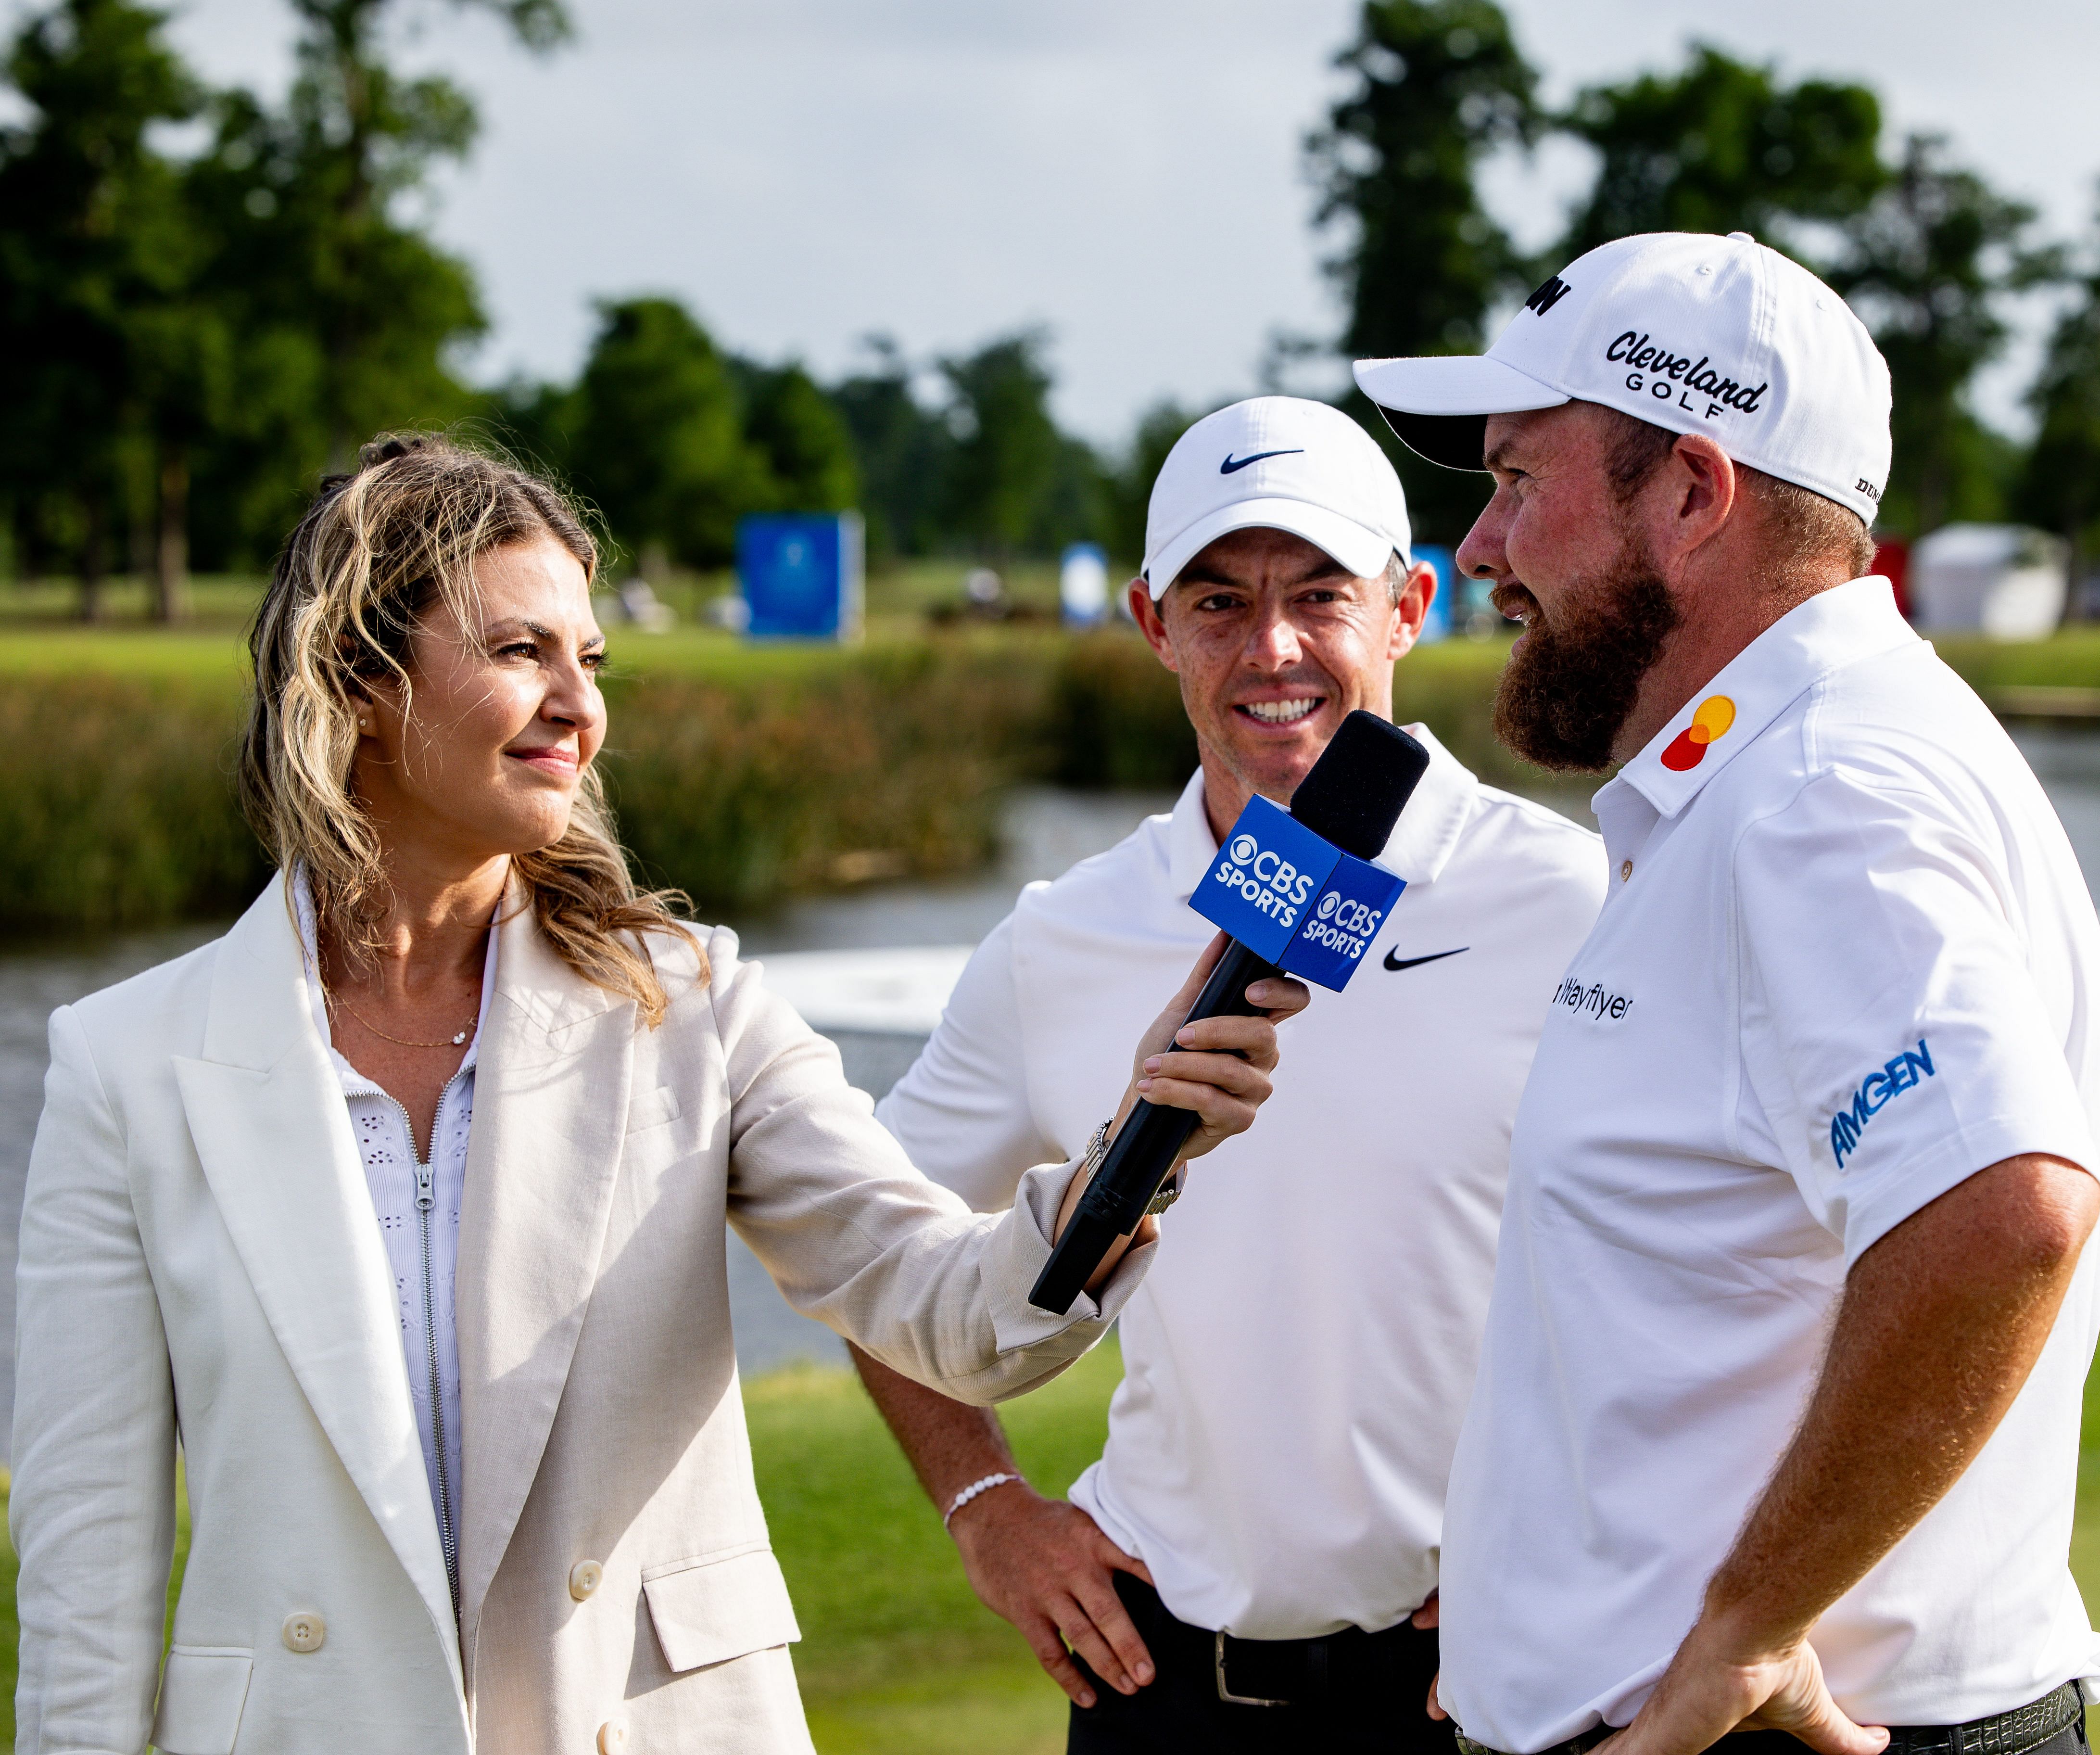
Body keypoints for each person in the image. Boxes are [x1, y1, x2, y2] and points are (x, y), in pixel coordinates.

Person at [10, 436, 1307, 1755]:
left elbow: (947, 1313)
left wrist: (1132, 1155)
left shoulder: (692, 1009)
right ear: (357, 680)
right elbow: (87, 1575)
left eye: (593, 660)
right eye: (522, 652)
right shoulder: (128, 1066)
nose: (581, 704)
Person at [1354, 231, 2100, 1755]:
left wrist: (1748, 1628)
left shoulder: (1821, 794)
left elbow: (2002, 1214)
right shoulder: (1781, 766)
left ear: (1692, 495)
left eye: (1517, 481)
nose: (1480, 551)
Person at [848, 395, 1606, 1754]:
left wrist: (1613, 1536)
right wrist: (988, 1510)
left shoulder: (1571, 895)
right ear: (1152, 624)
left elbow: (1738, 1259)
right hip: (1166, 1692)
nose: (1273, 651)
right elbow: (865, 1244)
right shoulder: (1065, 934)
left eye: (1321, 595)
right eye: (1218, 601)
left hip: (1484, 1680)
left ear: (1410, 606)